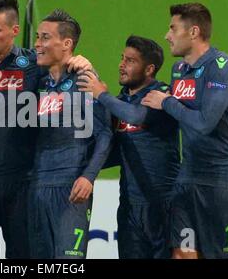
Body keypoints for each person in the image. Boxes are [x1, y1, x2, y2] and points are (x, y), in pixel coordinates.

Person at [0, 0, 91, 259]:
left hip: (22, 186)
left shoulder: (34, 65)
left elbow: (63, 69)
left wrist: (82, 61)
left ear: (14, 30)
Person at [141, 3, 228, 259]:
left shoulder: (224, 67)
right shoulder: (179, 71)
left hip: (223, 183)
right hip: (187, 181)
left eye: (172, 28)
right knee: (182, 255)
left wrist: (166, 102)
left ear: (193, 32)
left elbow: (204, 123)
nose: (167, 35)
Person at [77, 35, 180, 258]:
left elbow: (135, 116)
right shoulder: (120, 100)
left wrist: (101, 94)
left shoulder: (161, 95)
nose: (122, 65)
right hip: (129, 207)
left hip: (164, 205)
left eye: (130, 61)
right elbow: (112, 149)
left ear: (149, 69)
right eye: (122, 58)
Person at [28, 9, 112, 259]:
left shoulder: (85, 80)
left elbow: (106, 134)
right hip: (38, 186)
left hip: (71, 188)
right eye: (37, 36)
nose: (37, 44)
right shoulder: (40, 82)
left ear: (66, 44)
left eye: (44, 37)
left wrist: (89, 176)